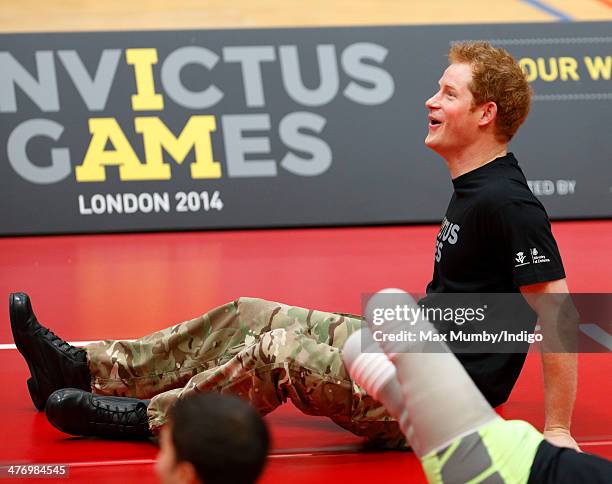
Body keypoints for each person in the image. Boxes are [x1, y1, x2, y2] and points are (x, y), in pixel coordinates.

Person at [9, 41, 577, 450]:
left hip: (441, 404)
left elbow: (560, 313)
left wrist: (556, 429)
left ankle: (147, 420)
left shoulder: (508, 202)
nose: (431, 101)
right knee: (249, 314)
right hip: (415, 350)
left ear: (485, 114)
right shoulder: (476, 188)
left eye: (447, 93)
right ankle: (84, 369)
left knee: (276, 351)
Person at [342, 290, 612, 483]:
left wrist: (558, 428)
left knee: (386, 307)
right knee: (364, 344)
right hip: (491, 461)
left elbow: (556, 307)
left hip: (505, 463)